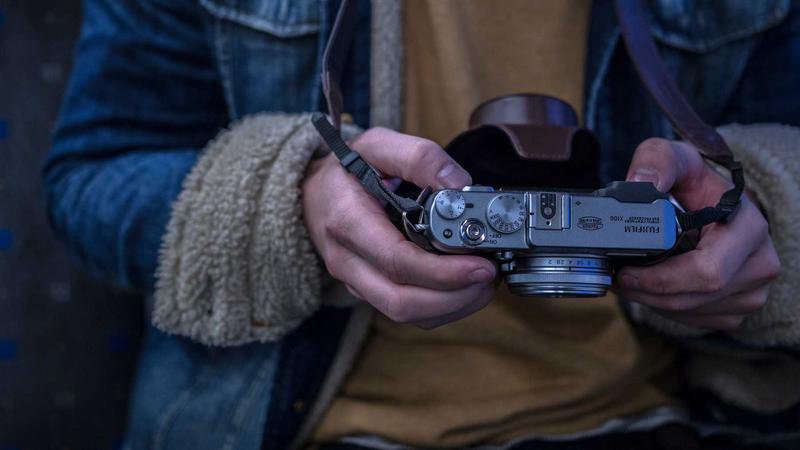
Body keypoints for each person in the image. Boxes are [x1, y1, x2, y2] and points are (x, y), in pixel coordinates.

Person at [44, 0, 800, 449]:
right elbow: (91, 173)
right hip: (295, 428)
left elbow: (780, 148)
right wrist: (289, 204)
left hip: (653, 418)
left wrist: (762, 210)